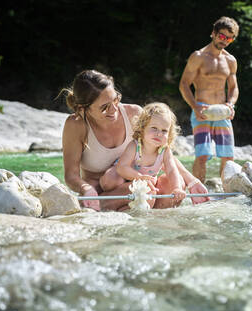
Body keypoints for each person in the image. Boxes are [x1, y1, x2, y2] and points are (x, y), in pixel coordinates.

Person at [61, 70, 209, 211]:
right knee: (144, 193)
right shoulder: (76, 125)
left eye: (116, 99)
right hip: (101, 195)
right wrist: (86, 188)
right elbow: (71, 176)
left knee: (175, 185)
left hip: (140, 183)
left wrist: (192, 181)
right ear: (82, 108)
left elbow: (161, 152)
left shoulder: (134, 113)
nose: (114, 109)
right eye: (105, 107)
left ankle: (152, 225)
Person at [179, 16, 239, 183]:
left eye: (229, 38)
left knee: (228, 157)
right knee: (203, 155)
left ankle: (226, 195)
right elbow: (184, 84)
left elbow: (234, 87)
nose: (224, 41)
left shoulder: (230, 60)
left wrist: (231, 105)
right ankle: (197, 195)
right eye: (221, 36)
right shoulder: (198, 56)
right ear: (213, 33)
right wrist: (195, 106)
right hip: (202, 111)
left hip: (222, 112)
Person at [106, 102, 186, 210]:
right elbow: (122, 167)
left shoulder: (164, 150)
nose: (159, 133)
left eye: (164, 131)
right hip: (126, 179)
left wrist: (177, 188)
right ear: (142, 128)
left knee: (176, 181)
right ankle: (108, 201)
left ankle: (152, 209)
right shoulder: (135, 146)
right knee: (111, 178)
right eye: (154, 128)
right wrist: (139, 177)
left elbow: (172, 170)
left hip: (146, 183)